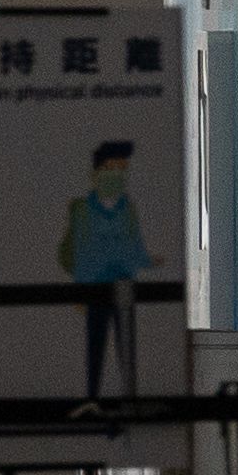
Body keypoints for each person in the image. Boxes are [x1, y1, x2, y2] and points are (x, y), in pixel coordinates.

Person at [61, 136, 155, 397]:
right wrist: (81, 288)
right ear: (96, 174)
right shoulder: (83, 210)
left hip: (124, 287)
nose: (117, 175)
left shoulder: (128, 210)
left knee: (126, 347)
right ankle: (93, 397)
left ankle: (130, 396)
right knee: (96, 346)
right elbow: (77, 251)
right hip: (96, 289)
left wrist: (148, 261)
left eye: (121, 169)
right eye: (111, 169)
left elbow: (136, 248)